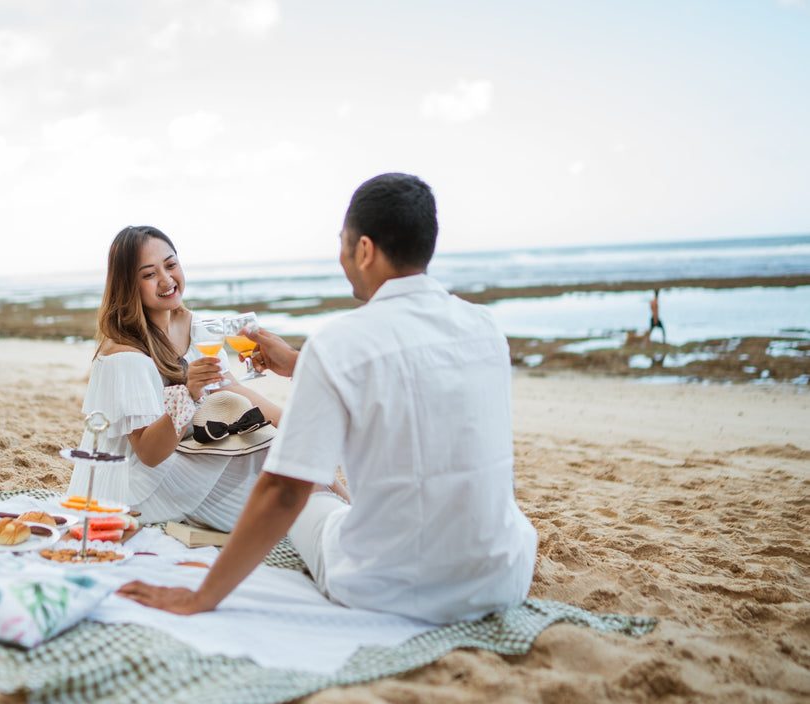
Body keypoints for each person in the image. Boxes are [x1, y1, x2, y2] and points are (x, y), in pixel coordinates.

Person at [118, 173, 538, 625]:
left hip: (392, 585)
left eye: (343, 242)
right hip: (503, 574)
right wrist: (300, 363)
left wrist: (201, 598)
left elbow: (283, 492)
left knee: (315, 499)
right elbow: (407, 376)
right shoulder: (485, 328)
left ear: (363, 250)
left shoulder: (339, 343)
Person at [66, 225, 284, 532]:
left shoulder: (198, 328)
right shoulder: (125, 355)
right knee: (269, 455)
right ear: (128, 285)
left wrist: (290, 422)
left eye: (171, 265)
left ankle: (339, 506)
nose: (167, 280)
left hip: (180, 460)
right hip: (135, 488)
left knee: (279, 441)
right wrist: (189, 394)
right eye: (149, 274)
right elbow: (149, 454)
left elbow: (232, 388)